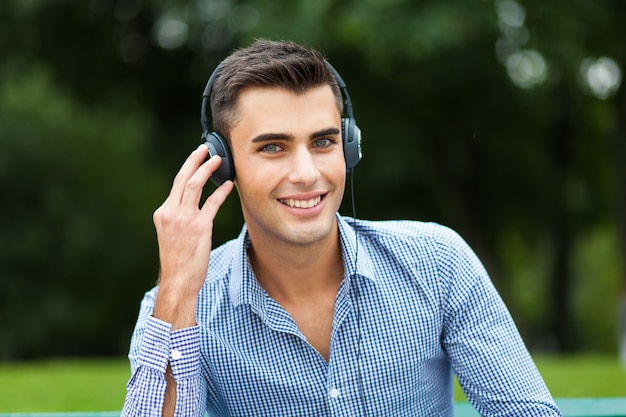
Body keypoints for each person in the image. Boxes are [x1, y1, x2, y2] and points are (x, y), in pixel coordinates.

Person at [122, 39, 561, 416]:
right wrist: (178, 290)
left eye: (323, 142)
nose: (307, 172)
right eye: (273, 147)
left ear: (348, 147)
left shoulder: (438, 262)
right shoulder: (177, 307)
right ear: (225, 166)